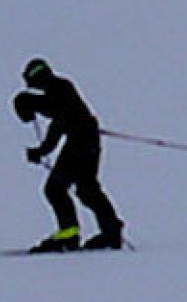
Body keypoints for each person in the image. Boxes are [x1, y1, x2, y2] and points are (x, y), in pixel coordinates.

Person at [12, 57, 124, 252]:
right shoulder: (59, 89)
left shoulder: (59, 88)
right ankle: (111, 232)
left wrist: (29, 103)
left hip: (80, 144)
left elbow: (57, 117)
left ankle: (69, 235)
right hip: (87, 142)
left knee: (55, 189)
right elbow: (57, 117)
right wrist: (42, 148)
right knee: (87, 189)